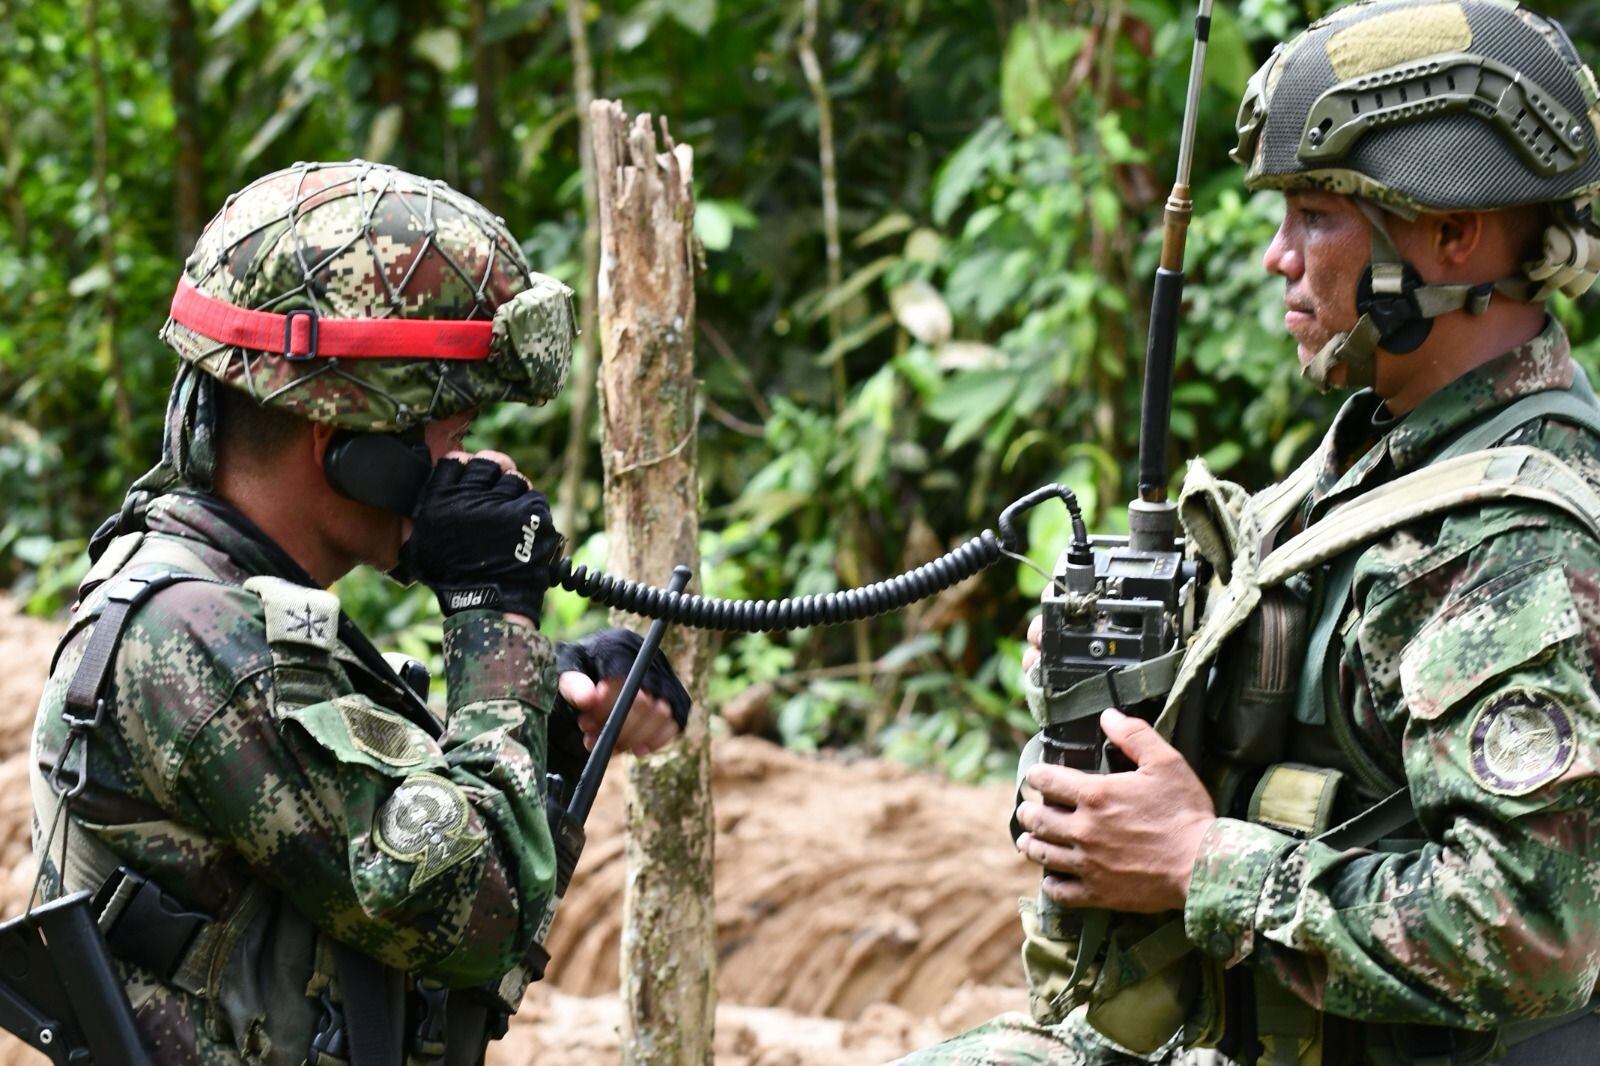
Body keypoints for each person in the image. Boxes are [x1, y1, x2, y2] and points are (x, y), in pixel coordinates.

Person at [900, 1, 1600, 1063]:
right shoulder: (1381, 460)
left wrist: (1198, 861)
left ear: (1455, 233)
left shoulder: (1520, 539)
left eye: (1317, 215)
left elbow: (1538, 931)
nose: (1276, 257)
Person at [29, 160, 691, 1064]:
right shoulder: (195, 641)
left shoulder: (235, 610)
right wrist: (492, 613)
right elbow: (478, 912)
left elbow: (395, 808)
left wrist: (549, 694)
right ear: (342, 447)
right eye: (451, 439)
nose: (478, 468)